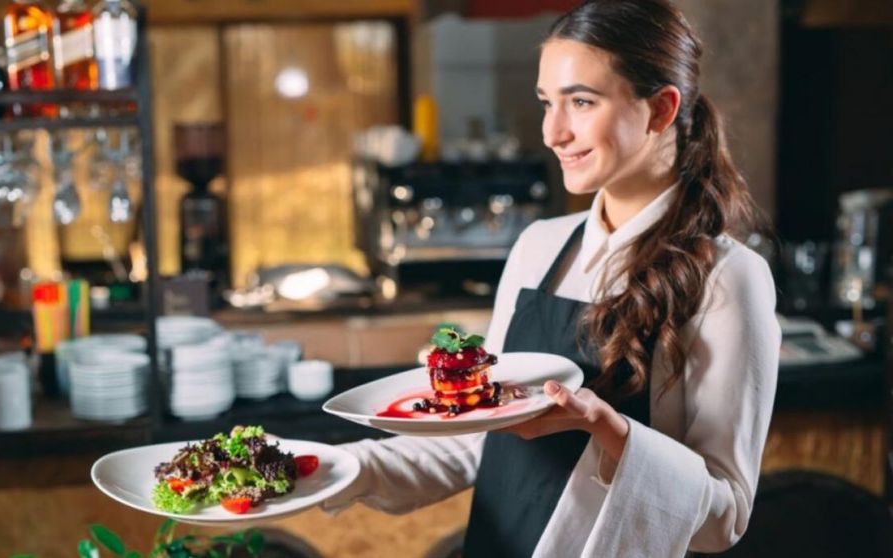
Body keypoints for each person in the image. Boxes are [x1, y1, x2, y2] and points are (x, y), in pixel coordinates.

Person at [322, 1, 781, 557]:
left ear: (661, 109)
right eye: (546, 103)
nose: (553, 133)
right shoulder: (538, 247)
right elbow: (473, 441)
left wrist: (609, 431)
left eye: (581, 102)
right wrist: (332, 469)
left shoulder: (728, 279)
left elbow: (723, 517)